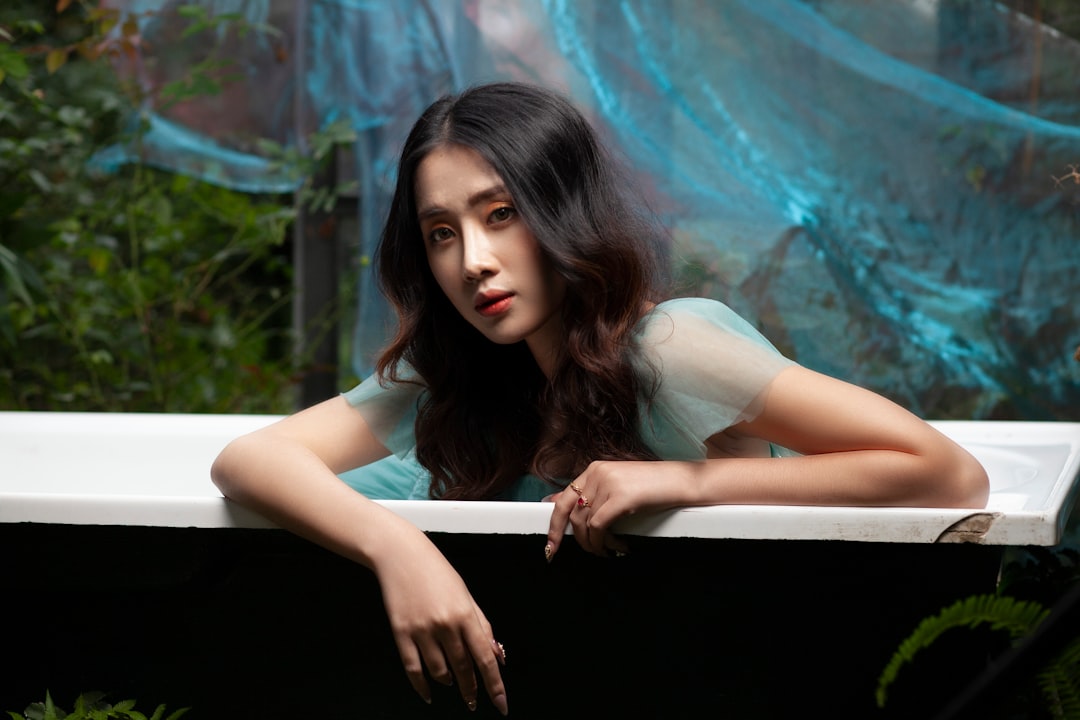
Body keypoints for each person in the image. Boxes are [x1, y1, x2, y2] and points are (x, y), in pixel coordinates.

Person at [211, 81, 989, 716]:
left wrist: (682, 481)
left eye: (500, 215)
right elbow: (250, 458)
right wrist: (400, 549)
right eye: (442, 233)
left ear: (559, 212)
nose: (473, 261)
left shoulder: (670, 348)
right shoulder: (466, 378)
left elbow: (946, 473)